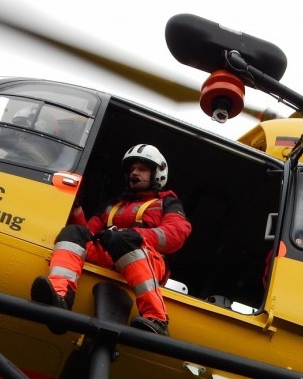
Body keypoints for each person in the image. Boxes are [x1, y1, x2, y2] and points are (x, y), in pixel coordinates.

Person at [31, 144, 192, 336]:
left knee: (123, 240)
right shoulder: (112, 205)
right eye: (132, 169)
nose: (134, 173)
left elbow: (176, 234)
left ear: (157, 174)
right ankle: (60, 298)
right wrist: (77, 213)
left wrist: (136, 235)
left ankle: (157, 319)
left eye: (141, 169)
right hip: (111, 256)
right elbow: (88, 233)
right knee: (73, 232)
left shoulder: (167, 202)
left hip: (148, 260)